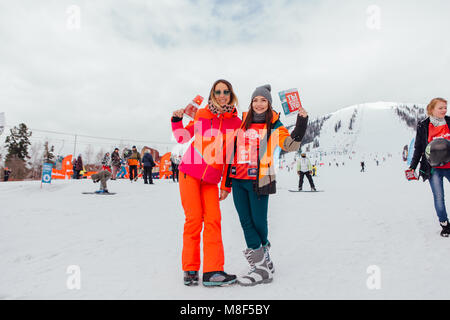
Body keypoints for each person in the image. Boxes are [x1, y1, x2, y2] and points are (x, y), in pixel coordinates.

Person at [223, 84, 308, 286]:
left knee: (259, 222)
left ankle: (261, 261)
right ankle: (262, 265)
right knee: (245, 221)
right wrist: (226, 182)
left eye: (263, 101)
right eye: (255, 100)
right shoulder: (243, 123)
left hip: (259, 180)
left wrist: (301, 122)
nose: (259, 104)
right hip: (237, 180)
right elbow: (231, 151)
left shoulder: (275, 126)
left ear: (269, 104)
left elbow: (291, 144)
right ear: (251, 103)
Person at [171, 79, 242, 287]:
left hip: (211, 180)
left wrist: (226, 185)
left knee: (213, 220)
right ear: (212, 94)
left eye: (226, 92)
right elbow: (183, 137)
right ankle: (190, 270)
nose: (222, 95)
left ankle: (213, 272)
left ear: (231, 95)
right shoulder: (202, 114)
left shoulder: (235, 123)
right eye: (218, 91)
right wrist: (176, 120)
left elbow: (231, 156)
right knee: (193, 220)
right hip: (189, 173)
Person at [408, 97, 450, 237]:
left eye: (445, 107)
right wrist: (412, 167)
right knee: (439, 197)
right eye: (441, 108)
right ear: (431, 109)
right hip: (433, 168)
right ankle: (445, 225)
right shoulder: (423, 125)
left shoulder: (449, 122)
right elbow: (419, 148)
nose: (444, 110)